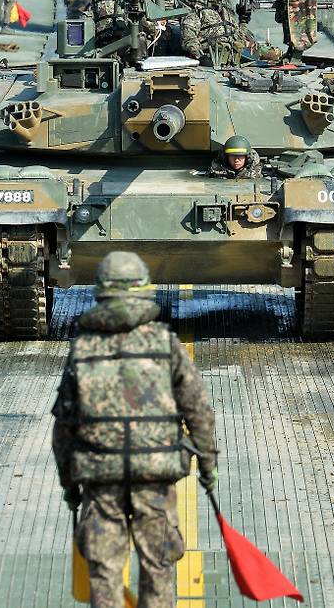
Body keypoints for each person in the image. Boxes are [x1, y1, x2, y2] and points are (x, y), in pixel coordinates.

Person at [52, 251, 217, 608]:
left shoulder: (83, 349)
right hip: (154, 478)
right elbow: (198, 410)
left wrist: (69, 485)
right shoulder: (164, 344)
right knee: (158, 566)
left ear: (101, 292)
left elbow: (63, 426)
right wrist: (208, 466)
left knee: (104, 573)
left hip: (100, 479)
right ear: (144, 290)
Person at [180, 0, 253, 66]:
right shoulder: (195, 11)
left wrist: (243, 21)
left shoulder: (226, 11)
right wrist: (200, 57)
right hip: (209, 62)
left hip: (233, 62)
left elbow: (239, 39)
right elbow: (189, 39)